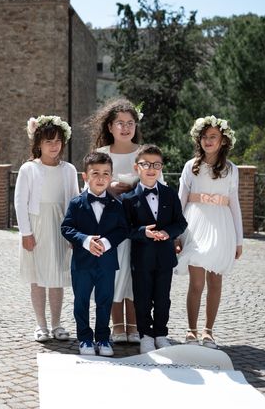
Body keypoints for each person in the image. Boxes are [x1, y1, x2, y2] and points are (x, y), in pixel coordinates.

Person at [86, 98, 162, 344]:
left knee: (135, 274)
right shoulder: (101, 155)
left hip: (138, 227)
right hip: (108, 226)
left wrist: (136, 185)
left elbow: (158, 184)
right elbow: (87, 188)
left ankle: (136, 325)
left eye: (130, 123)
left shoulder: (143, 153)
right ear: (110, 126)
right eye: (120, 123)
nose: (125, 128)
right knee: (113, 274)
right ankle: (117, 325)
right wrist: (109, 188)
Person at [175, 116, 243, 349]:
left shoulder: (231, 170)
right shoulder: (190, 166)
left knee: (215, 281)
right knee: (196, 283)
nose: (208, 140)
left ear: (223, 140)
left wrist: (239, 239)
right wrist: (175, 232)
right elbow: (180, 200)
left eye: (213, 136)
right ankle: (191, 329)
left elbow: (234, 204)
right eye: (204, 137)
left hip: (221, 227)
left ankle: (208, 331)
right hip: (195, 225)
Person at [14, 115, 79, 342]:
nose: (54, 146)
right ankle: (40, 324)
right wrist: (26, 232)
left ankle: (57, 323)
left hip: (61, 224)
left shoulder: (68, 170)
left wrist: (74, 232)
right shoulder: (28, 169)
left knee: (58, 276)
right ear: (38, 143)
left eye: (58, 141)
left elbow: (74, 200)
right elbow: (20, 202)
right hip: (37, 224)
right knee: (38, 276)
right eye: (49, 141)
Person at [122, 145, 187, 354]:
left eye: (156, 164)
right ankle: (146, 336)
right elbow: (126, 229)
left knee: (162, 298)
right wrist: (143, 232)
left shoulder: (170, 194)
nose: (151, 168)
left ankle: (161, 334)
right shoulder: (129, 198)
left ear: (161, 168)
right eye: (146, 164)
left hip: (165, 257)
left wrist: (169, 233)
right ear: (136, 167)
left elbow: (181, 223)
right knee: (142, 299)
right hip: (141, 258)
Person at [61, 151, 128, 357]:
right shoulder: (76, 203)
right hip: (82, 262)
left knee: (105, 300)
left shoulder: (117, 205)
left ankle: (102, 338)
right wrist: (86, 240)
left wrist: (107, 242)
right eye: (95, 173)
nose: (101, 178)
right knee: (81, 300)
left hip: (107, 263)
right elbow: (67, 228)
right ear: (85, 176)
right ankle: (85, 338)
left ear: (111, 176)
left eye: (106, 174)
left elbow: (123, 230)